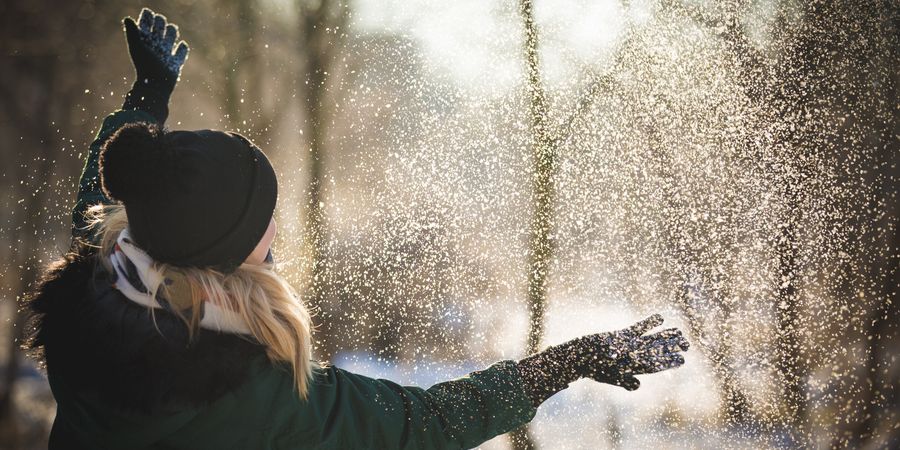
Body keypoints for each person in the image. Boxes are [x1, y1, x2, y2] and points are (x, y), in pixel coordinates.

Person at [22, 8, 690, 450]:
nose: (274, 230)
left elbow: (104, 203)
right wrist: (564, 364)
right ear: (218, 260)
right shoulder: (256, 399)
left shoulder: (93, 303)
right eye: (260, 224)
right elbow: (422, 424)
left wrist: (145, 104)